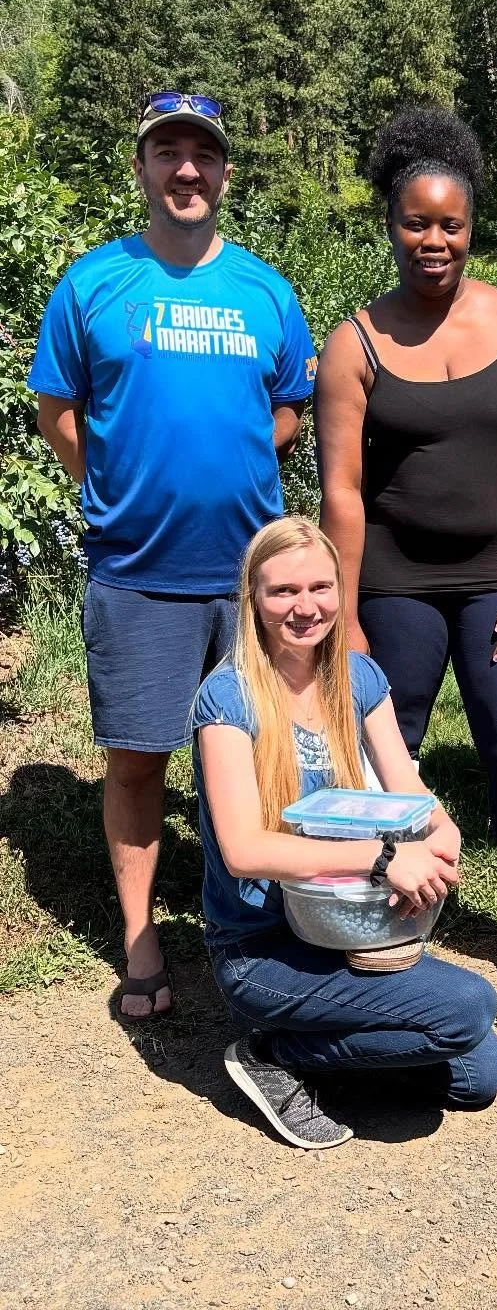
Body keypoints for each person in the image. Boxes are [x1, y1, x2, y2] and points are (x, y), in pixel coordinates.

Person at [28, 92, 315, 1021]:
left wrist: (225, 466)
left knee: (261, 757)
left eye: (203, 153)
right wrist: (109, 484)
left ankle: (262, 921)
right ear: (143, 168)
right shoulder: (92, 285)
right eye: (167, 152)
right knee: (139, 761)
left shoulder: (267, 292)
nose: (186, 169)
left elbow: (289, 408)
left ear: (226, 172)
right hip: (136, 573)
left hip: (251, 580)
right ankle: (142, 935)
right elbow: (58, 409)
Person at [315, 105, 497, 1006]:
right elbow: (342, 492)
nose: (435, 240)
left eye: (452, 224)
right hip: (395, 583)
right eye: (416, 222)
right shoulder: (353, 344)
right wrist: (345, 614)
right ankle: (384, 909)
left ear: (474, 229)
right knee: (394, 748)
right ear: (391, 224)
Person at [194, 517, 497, 1149]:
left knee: (478, 1073)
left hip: (351, 933)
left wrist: (442, 830)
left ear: (341, 590)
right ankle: (273, 1054)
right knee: (468, 1008)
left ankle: (320, 1053)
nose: (305, 608)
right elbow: (244, 850)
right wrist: (383, 857)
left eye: (320, 587)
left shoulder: (359, 679)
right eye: (283, 592)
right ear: (252, 599)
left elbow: (409, 791)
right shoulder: (226, 700)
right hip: (263, 949)